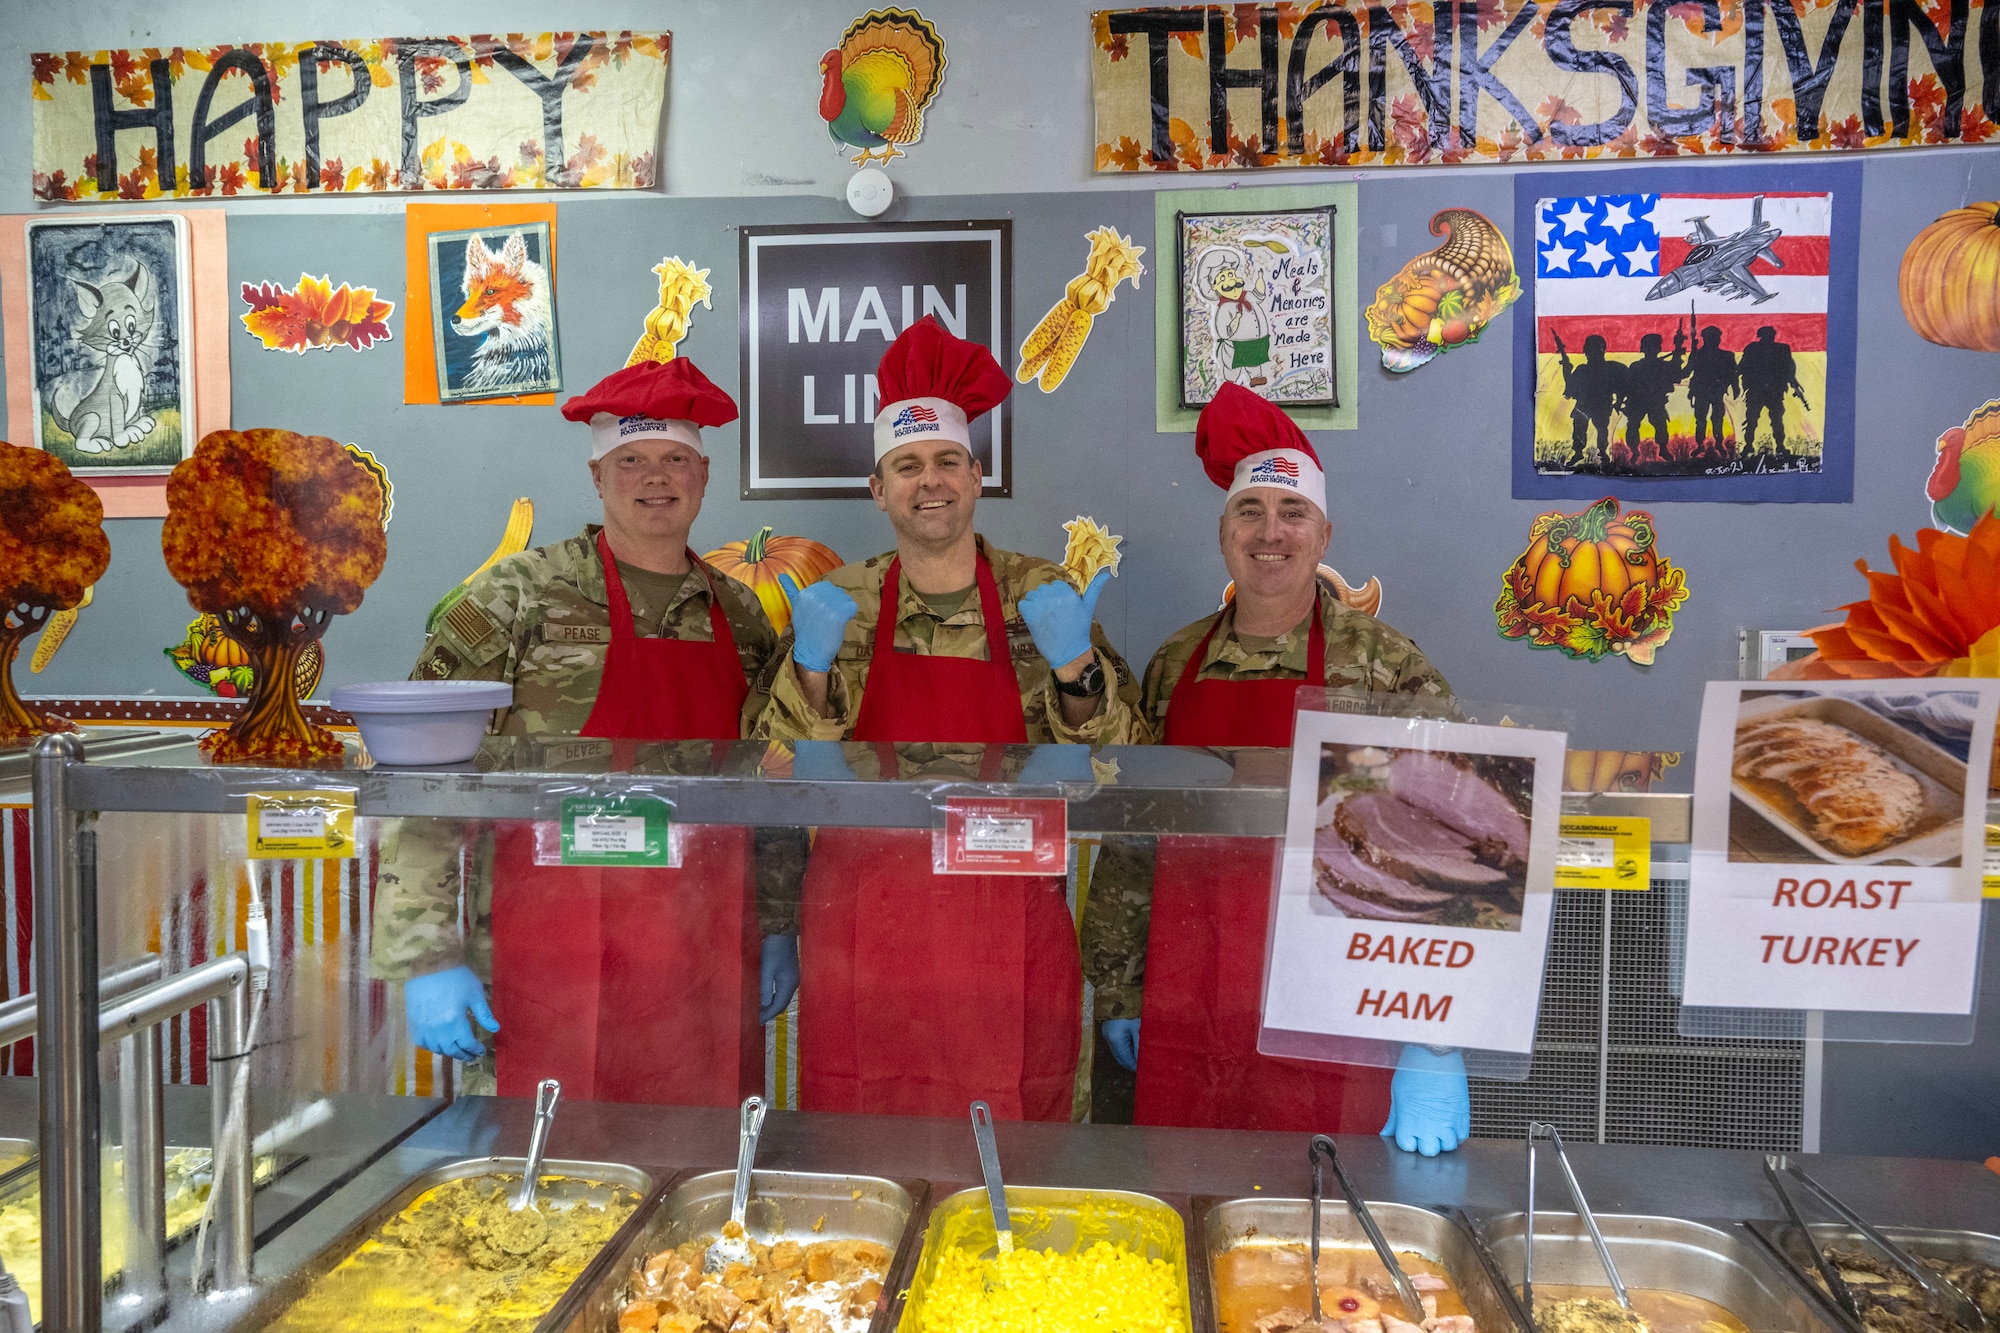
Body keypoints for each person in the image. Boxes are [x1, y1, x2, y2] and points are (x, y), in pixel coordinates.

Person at [371, 358, 804, 1104]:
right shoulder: (519, 594)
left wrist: (776, 922)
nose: (654, 477)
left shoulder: (741, 614)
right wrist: (423, 950)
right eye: (630, 460)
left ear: (702, 477)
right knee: (535, 1179)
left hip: (697, 953)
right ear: (598, 479)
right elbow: (424, 765)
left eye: (675, 459)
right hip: (539, 948)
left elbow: (767, 785)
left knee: (689, 1171)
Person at [752, 316, 1143, 1121]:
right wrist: (813, 667)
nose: (928, 481)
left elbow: (1122, 771)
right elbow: (772, 771)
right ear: (877, 487)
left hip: (1011, 928)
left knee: (1018, 1136)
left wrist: (1076, 668)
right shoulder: (840, 601)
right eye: (906, 465)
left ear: (975, 475)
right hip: (867, 930)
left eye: (945, 462)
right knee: (866, 1146)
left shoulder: (1042, 593)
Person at [1079, 383, 1471, 1155]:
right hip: (1191, 980)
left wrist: (1435, 1033)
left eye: (1292, 512)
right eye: (1249, 512)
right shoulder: (1173, 663)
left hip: (1336, 989)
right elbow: (1135, 835)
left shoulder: (1385, 663)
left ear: (1324, 535)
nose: (1271, 532)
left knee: (1328, 1205)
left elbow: (1453, 840)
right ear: (1223, 534)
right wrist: (1120, 983)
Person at [1553, 333, 1622, 468]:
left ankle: (1602, 452)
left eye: (1597, 349)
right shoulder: (1581, 370)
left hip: (1602, 405)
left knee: (1602, 430)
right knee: (1579, 428)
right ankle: (1578, 452)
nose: (1593, 353)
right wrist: (1567, 369)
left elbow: (1619, 387)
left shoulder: (1610, 369)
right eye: (1591, 350)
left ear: (1603, 350)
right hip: (1583, 405)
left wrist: (1618, 401)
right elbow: (1570, 390)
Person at [1736, 324, 1804, 461]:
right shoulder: (1753, 349)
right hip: (1757, 390)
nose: (1769, 338)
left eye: (1770, 336)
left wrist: (1794, 384)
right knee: (1752, 420)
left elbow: (1789, 369)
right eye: (1767, 336)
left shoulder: (1781, 349)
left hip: (1773, 391)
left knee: (1775, 420)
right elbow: (1742, 367)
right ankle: (1749, 445)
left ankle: (1779, 446)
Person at [1619, 328, 1687, 465]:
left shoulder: (1662, 365)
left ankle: (1663, 449)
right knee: (1632, 427)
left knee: (1661, 426)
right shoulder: (1636, 366)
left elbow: (1677, 376)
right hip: (1637, 402)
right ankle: (1635, 451)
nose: (1652, 350)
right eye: (1649, 347)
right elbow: (1627, 386)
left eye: (1654, 347)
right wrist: (1622, 401)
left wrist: (1677, 355)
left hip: (1655, 401)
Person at [1685, 325, 1736, 458]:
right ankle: (1700, 445)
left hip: (1717, 391)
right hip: (1701, 391)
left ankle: (1719, 443)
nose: (1714, 340)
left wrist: (1735, 387)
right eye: (1710, 337)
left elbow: (1732, 374)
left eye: (1715, 337)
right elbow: (1686, 372)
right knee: (1701, 419)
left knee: (1717, 418)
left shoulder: (1726, 356)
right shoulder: (1697, 354)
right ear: (1705, 339)